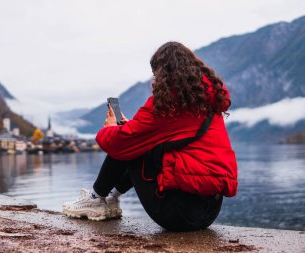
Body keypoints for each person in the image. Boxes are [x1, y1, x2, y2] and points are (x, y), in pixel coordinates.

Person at [63, 41, 238, 231]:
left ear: (164, 74)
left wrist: (112, 127)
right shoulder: (209, 100)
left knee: (128, 144)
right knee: (138, 141)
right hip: (210, 212)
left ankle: (96, 199)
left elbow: (121, 142)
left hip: (178, 215)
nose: (155, 81)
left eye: (157, 75)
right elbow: (158, 133)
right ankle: (111, 198)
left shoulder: (167, 103)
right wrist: (130, 127)